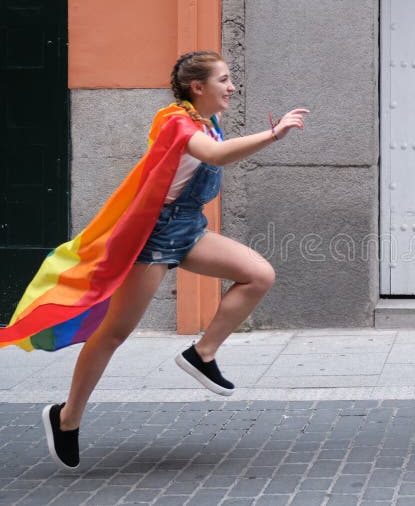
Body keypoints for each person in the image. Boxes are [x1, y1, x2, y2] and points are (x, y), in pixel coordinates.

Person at [39, 50, 309, 469]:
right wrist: (274, 134)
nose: (232, 87)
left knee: (258, 274)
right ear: (196, 87)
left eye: (230, 79)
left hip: (188, 229)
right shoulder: (175, 122)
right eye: (223, 80)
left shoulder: (206, 121)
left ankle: (201, 354)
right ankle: (67, 417)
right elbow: (215, 156)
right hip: (154, 237)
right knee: (114, 334)